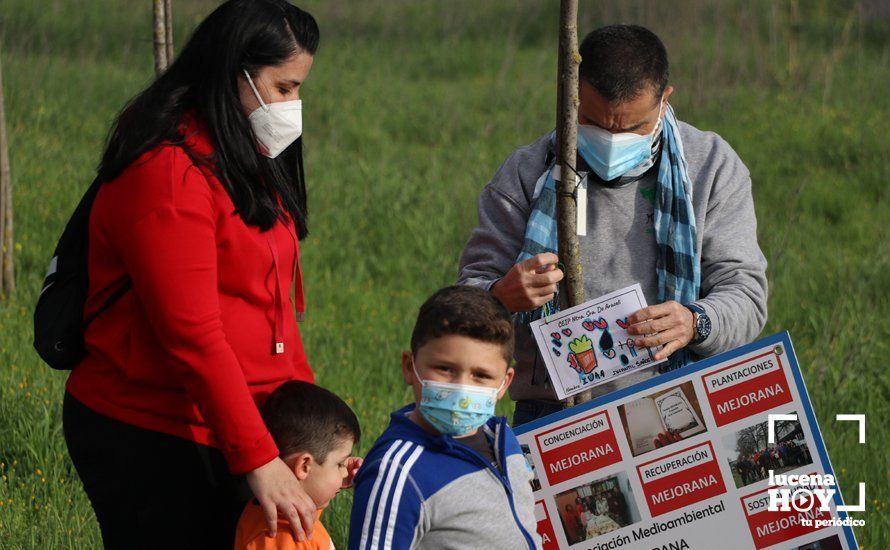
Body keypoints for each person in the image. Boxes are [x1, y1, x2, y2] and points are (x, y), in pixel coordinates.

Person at [62, 2, 335, 547]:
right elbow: (192, 335)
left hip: (234, 424)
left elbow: (275, 308)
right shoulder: (166, 169)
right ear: (235, 72)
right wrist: (259, 458)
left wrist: (310, 433)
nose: (293, 105)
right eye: (284, 88)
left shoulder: (241, 155)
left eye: (299, 88)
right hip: (154, 428)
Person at [458, 24, 768, 426]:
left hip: (678, 397)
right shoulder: (527, 173)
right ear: (571, 96)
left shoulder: (710, 166)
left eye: (634, 128)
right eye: (593, 122)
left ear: (664, 99)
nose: (611, 140)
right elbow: (464, 299)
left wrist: (695, 322)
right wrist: (500, 296)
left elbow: (745, 293)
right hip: (553, 412)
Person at [348, 286, 539, 549]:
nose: (461, 388)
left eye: (481, 375)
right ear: (408, 367)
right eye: (444, 369)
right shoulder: (398, 472)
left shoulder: (503, 441)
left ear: (504, 384)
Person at [235, 381, 362, 549]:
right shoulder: (283, 537)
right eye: (339, 464)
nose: (345, 472)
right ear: (304, 466)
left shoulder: (288, 516)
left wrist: (338, 479)